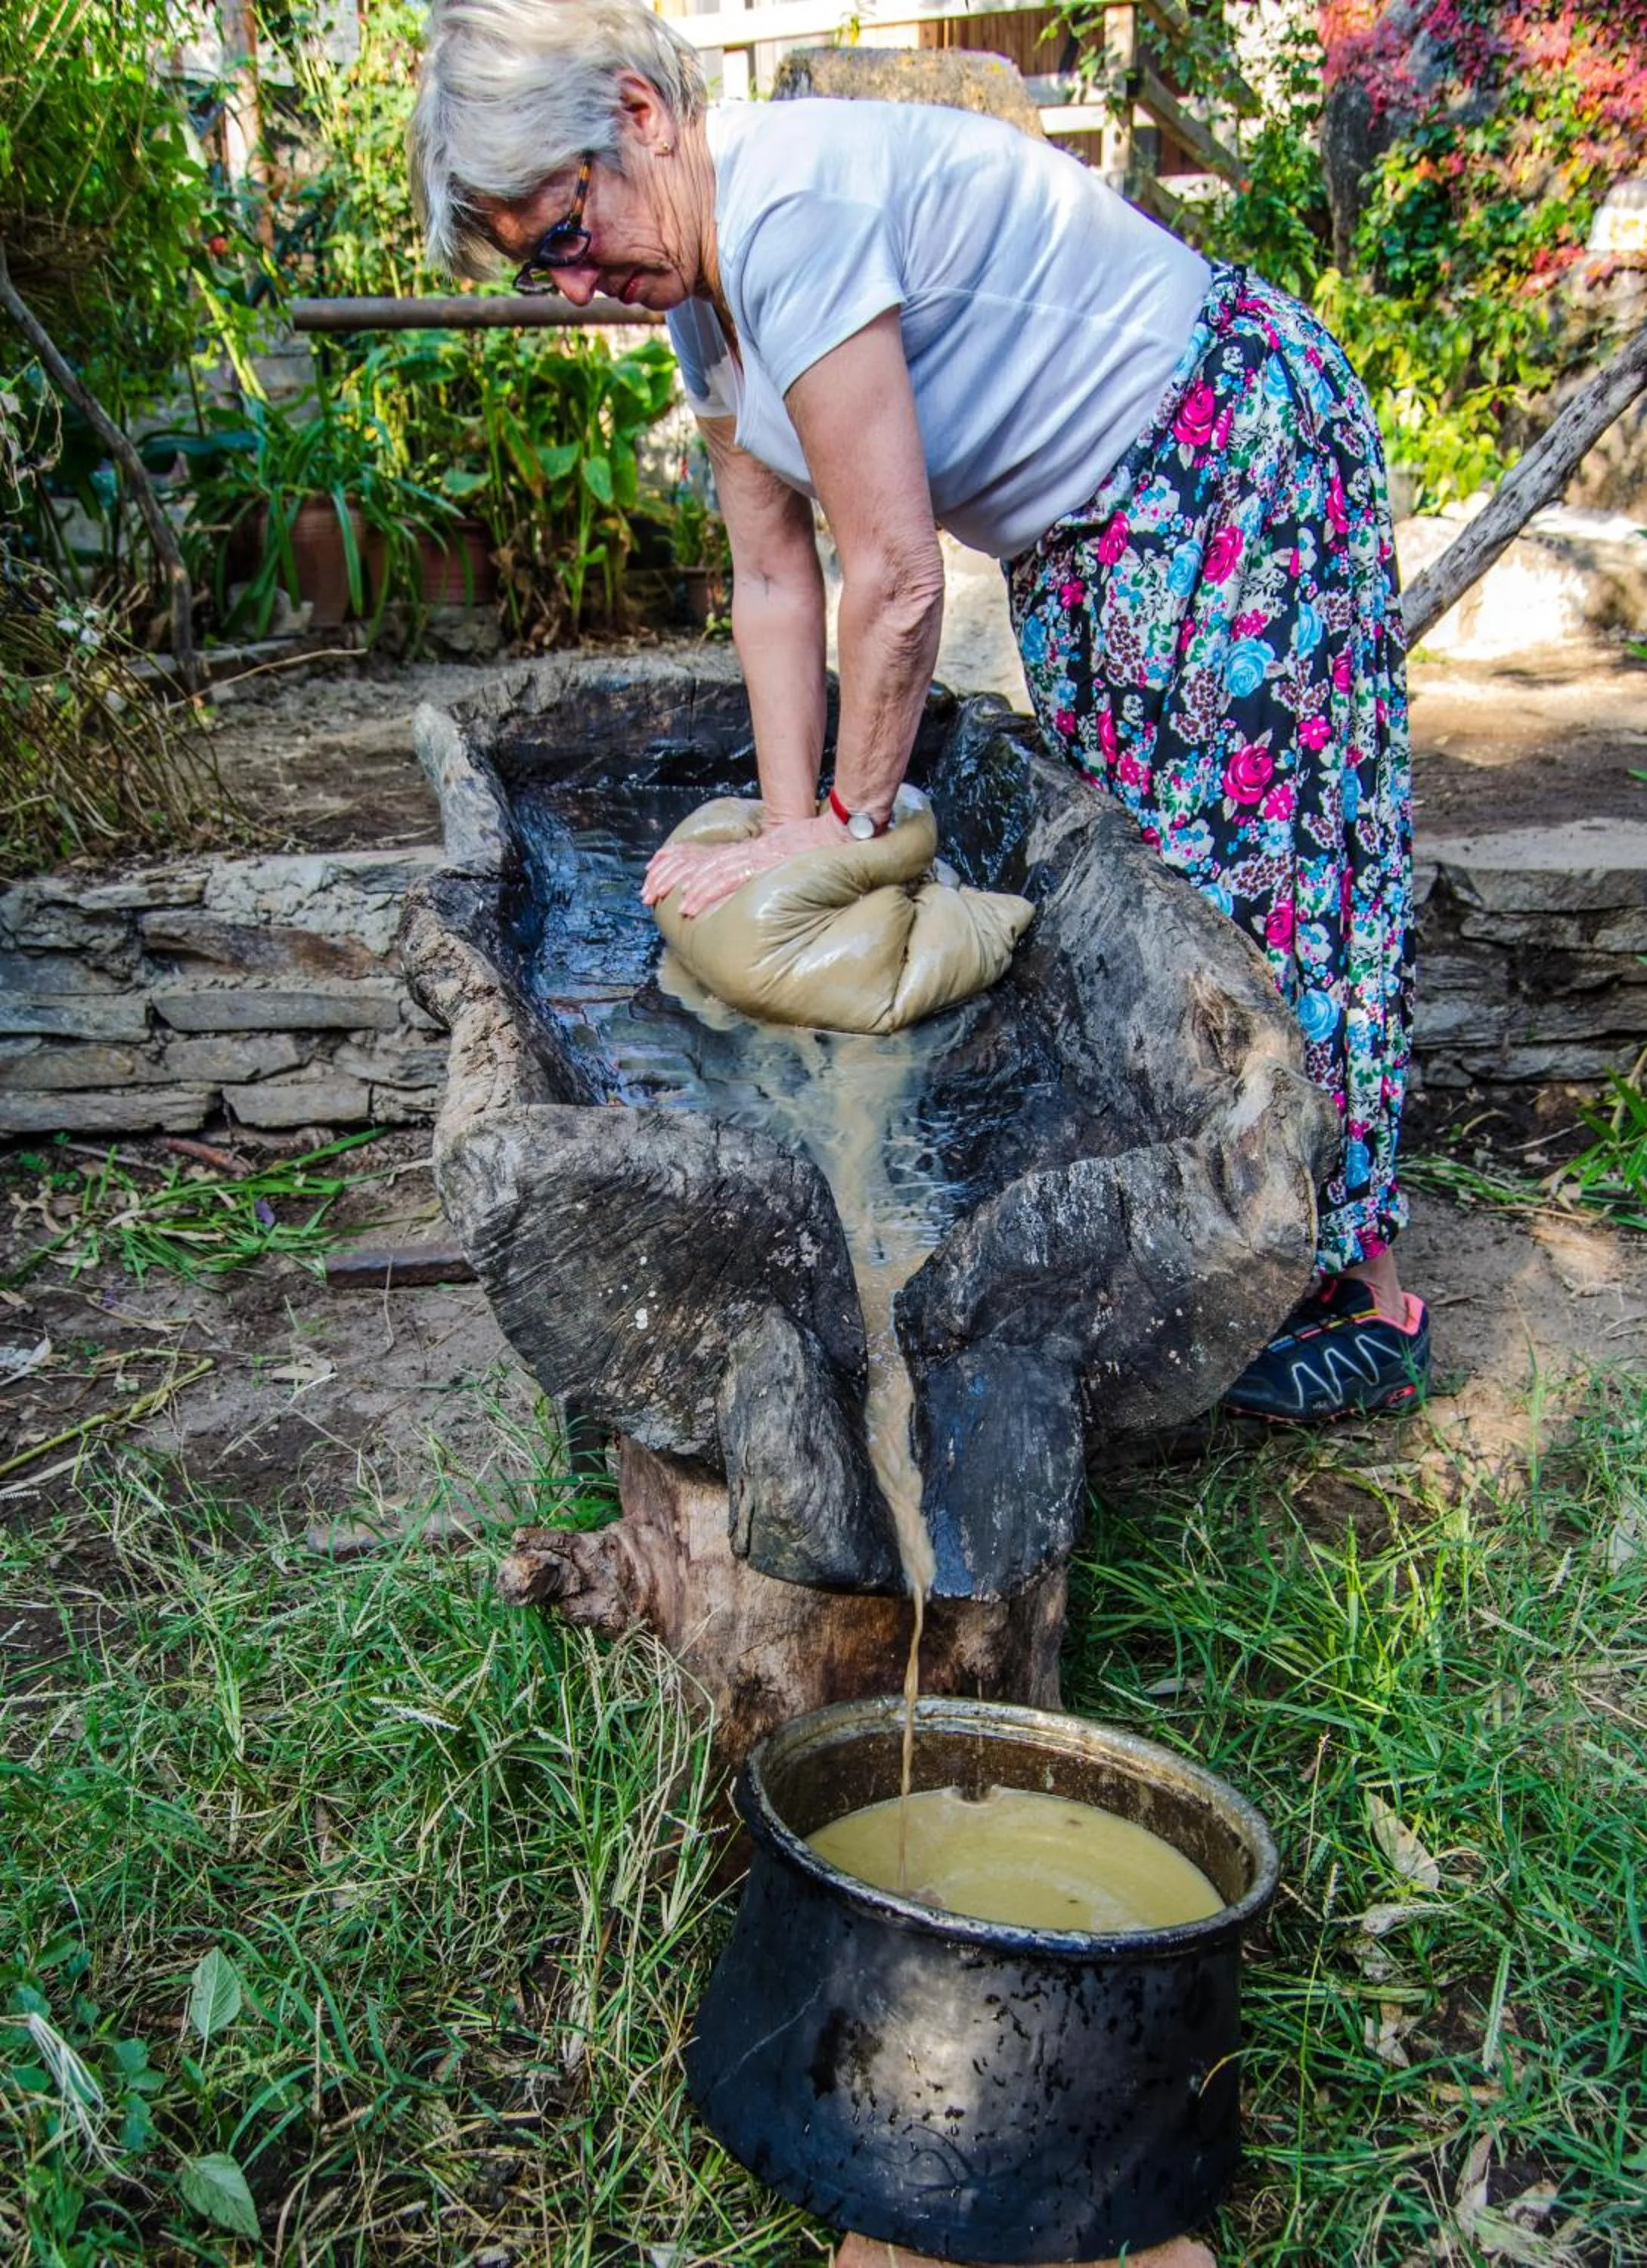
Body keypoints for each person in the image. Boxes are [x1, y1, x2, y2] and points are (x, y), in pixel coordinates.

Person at [410, 0, 1430, 1424]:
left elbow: (889, 583)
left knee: (1268, 873)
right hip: (1093, 529)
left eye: (564, 237)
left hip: (1220, 450)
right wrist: (784, 837)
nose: (573, 289)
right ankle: (1241, 1252)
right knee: (1160, 864)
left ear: (638, 119)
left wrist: (842, 836)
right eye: (540, 273)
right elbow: (772, 578)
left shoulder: (787, 212)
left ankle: (1361, 1294)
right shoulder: (704, 308)